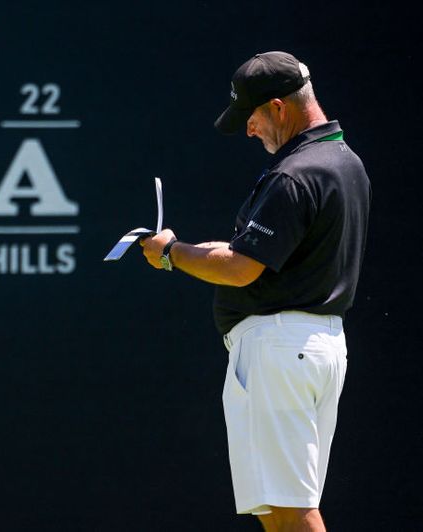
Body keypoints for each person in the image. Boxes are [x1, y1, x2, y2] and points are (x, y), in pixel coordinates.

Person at [139, 51, 370, 531]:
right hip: (312, 347)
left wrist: (172, 253)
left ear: (279, 108)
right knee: (279, 511)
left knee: (289, 511)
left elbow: (243, 269)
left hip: (280, 351)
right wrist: (214, 250)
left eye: (251, 116)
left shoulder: (294, 173)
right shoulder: (344, 161)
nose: (248, 130)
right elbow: (269, 255)